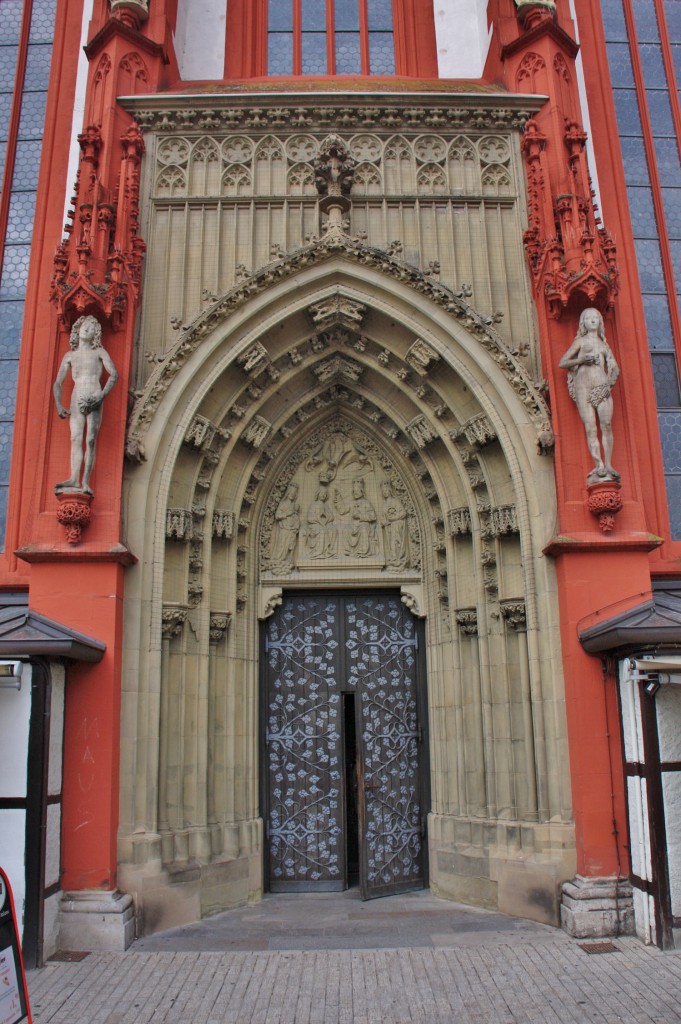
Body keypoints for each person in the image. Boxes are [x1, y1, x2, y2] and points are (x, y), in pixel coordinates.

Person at [53, 314, 118, 496]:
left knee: (90, 440)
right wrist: (59, 404)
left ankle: (85, 482)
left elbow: (114, 374)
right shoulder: (70, 355)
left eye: (91, 327)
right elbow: (58, 382)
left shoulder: (99, 353)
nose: (87, 329)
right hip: (77, 395)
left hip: (94, 394)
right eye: (84, 326)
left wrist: (101, 397)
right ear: (78, 330)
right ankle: (74, 477)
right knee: (75, 438)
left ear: (95, 333)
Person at [559, 307, 620, 483]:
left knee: (606, 424)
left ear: (600, 321)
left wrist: (611, 380)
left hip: (601, 385)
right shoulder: (580, 341)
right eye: (588, 318)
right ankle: (598, 463)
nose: (592, 320)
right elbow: (563, 362)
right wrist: (581, 360)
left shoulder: (603, 344)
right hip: (582, 386)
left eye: (595, 317)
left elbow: (614, 366)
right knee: (591, 427)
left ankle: (608, 464)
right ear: (583, 323)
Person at [269, 483, 301, 571]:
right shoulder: (283, 504)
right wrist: (288, 514)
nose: (292, 495)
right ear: (288, 494)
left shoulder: (294, 505)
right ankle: (278, 560)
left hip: (291, 529)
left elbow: (296, 516)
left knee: (290, 546)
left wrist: (296, 526)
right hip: (284, 528)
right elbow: (278, 515)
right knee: (282, 545)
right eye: (291, 493)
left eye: (294, 494)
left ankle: (288, 561)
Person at [380, 480, 408, 570]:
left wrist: (394, 518)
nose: (384, 492)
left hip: (396, 526)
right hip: (388, 528)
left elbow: (403, 513)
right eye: (383, 491)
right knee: (390, 544)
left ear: (390, 491)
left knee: (395, 543)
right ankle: (393, 559)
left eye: (386, 490)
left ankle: (398, 560)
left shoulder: (395, 501)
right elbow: (382, 517)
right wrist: (384, 522)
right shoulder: (384, 505)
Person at [305, 485, 338, 559]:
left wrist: (326, 517)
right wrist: (318, 518)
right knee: (322, 530)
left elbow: (332, 516)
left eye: (325, 493)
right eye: (321, 493)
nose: (323, 495)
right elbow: (309, 518)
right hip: (315, 525)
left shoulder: (326, 505)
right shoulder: (314, 505)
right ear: (318, 494)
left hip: (324, 524)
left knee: (334, 530)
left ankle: (329, 551)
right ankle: (318, 552)